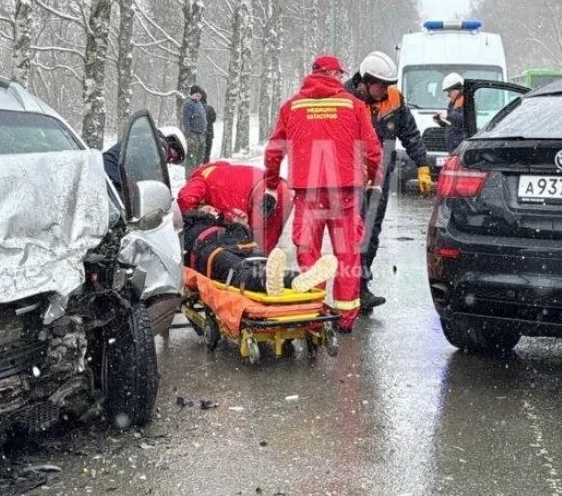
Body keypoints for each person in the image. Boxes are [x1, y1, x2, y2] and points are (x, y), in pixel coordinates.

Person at [264, 54, 382, 332]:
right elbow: (373, 149)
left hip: (308, 192)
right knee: (347, 253)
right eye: (339, 75)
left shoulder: (292, 107)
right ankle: (345, 318)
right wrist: (373, 179)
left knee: (308, 251)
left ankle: (314, 314)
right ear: (333, 74)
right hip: (346, 192)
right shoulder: (353, 105)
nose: (341, 79)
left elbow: (274, 150)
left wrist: (270, 182)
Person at [345, 50, 432, 313]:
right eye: (380, 85)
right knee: (352, 233)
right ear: (365, 81)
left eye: (387, 85)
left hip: (380, 177)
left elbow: (410, 133)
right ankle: (348, 288)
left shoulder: (393, 100)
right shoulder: (345, 100)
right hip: (351, 178)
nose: (384, 91)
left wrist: (423, 165)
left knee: (371, 233)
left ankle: (361, 286)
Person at [182, 206, 337, 297]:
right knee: (238, 269)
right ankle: (264, 282)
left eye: (213, 208)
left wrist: (242, 225)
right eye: (206, 207)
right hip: (209, 250)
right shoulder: (188, 223)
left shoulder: (224, 223)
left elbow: (245, 237)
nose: (211, 209)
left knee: (265, 263)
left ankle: (297, 279)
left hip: (239, 245)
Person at [178, 160, 291, 254]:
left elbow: (185, 200)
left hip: (263, 200)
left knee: (258, 258)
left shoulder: (199, 178)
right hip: (281, 188)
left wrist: (189, 219)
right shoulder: (221, 173)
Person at [433, 72, 466, 152]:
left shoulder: (465, 101)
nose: (448, 95)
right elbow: (453, 123)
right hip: (454, 146)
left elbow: (464, 118)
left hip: (460, 146)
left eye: (449, 92)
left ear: (456, 90)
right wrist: (441, 121)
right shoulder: (453, 103)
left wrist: (448, 115)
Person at [181, 86, 208, 176]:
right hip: (192, 135)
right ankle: (189, 177)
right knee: (191, 157)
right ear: (192, 94)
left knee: (200, 158)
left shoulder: (199, 103)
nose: (198, 95)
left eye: (199, 93)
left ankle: (197, 175)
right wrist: (189, 133)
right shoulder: (188, 104)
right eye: (196, 93)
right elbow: (185, 120)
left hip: (201, 135)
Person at [201, 91, 217, 165]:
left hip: (199, 134)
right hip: (209, 134)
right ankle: (205, 167)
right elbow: (214, 119)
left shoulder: (195, 108)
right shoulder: (210, 108)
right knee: (207, 154)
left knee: (198, 154)